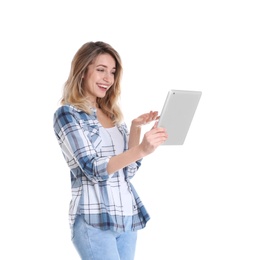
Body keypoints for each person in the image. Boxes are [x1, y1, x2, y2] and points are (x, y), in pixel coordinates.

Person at [53, 41, 168, 260]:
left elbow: (127, 171)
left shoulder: (113, 115)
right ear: (83, 70)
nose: (108, 78)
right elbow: (91, 168)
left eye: (113, 72)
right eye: (101, 70)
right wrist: (142, 149)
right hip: (94, 219)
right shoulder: (67, 114)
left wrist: (135, 129)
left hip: (126, 217)